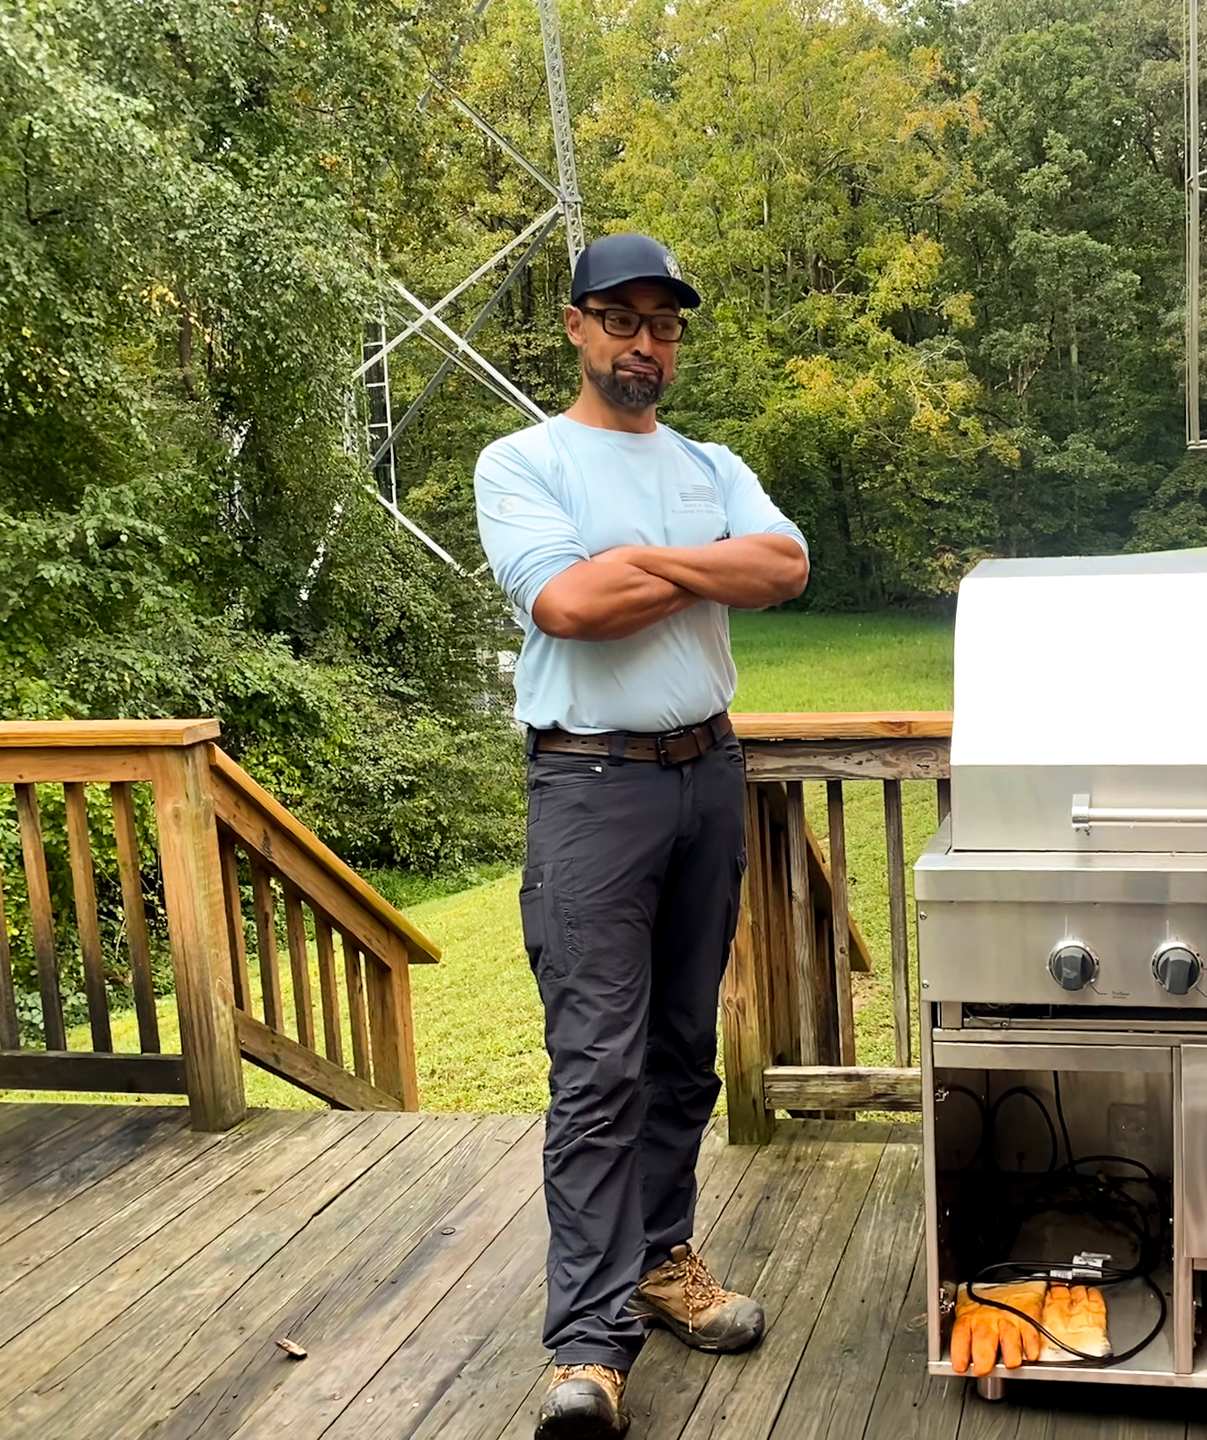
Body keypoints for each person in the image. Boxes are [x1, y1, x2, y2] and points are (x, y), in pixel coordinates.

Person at [474, 232, 809, 1440]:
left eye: (663, 324)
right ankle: (589, 1342)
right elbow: (566, 605)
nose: (644, 343)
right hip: (591, 790)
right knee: (598, 1065)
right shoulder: (523, 461)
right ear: (575, 325)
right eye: (621, 319)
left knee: (680, 1050)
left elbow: (785, 567)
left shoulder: (712, 460)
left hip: (703, 775)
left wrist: (640, 563)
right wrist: (707, 568)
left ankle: (666, 1263)